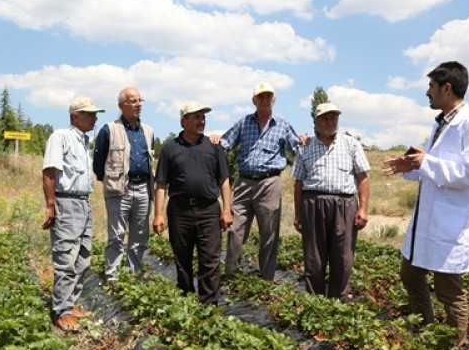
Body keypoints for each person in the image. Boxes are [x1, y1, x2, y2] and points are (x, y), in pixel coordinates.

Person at [383, 61, 469, 347]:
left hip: (450, 225)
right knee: (410, 274)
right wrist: (409, 164)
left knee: (449, 291)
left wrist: (427, 161)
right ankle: (425, 330)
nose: (427, 92)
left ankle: (456, 349)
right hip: (428, 222)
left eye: (431, 86)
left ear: (447, 88)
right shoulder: (442, 124)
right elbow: (435, 167)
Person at [211, 82, 300, 280]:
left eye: (268, 96)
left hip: (270, 183)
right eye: (261, 96)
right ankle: (231, 276)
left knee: (269, 234)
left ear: (274, 100)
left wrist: (305, 141)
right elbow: (225, 143)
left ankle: (266, 279)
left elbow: (297, 149)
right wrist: (216, 139)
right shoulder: (244, 123)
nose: (265, 100)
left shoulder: (283, 125)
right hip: (243, 183)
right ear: (254, 100)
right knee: (235, 230)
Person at [153, 101, 233, 305]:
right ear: (183, 121)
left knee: (210, 261)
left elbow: (224, 180)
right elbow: (161, 183)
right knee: (182, 259)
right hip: (179, 211)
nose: (202, 120)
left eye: (203, 116)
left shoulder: (214, 147)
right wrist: (159, 214)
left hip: (208, 210)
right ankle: (187, 301)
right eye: (196, 117)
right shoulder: (170, 149)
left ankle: (209, 306)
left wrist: (226, 210)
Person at [292, 103, 370, 299]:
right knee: (314, 258)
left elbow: (363, 178)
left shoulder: (351, 144)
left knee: (342, 257)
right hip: (313, 203)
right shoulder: (305, 146)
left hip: (344, 205)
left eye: (334, 118)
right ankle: (315, 301)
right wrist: (298, 213)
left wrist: (363, 209)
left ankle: (339, 301)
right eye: (325, 118)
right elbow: (298, 182)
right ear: (316, 122)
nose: (330, 122)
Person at [42, 96, 105, 331]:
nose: (95, 118)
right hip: (66, 202)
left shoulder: (84, 141)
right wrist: (51, 205)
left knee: (83, 258)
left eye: (95, 114)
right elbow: (49, 171)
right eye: (90, 114)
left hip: (84, 203)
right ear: (75, 116)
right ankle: (61, 311)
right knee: (66, 258)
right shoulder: (61, 137)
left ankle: (71, 304)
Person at [93, 87, 154, 282]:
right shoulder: (109, 130)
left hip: (143, 188)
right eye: (133, 101)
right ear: (121, 105)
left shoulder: (148, 131)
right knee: (116, 236)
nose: (138, 105)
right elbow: (98, 164)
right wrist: (113, 182)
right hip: (120, 190)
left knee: (139, 236)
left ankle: (134, 276)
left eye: (140, 101)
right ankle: (112, 277)